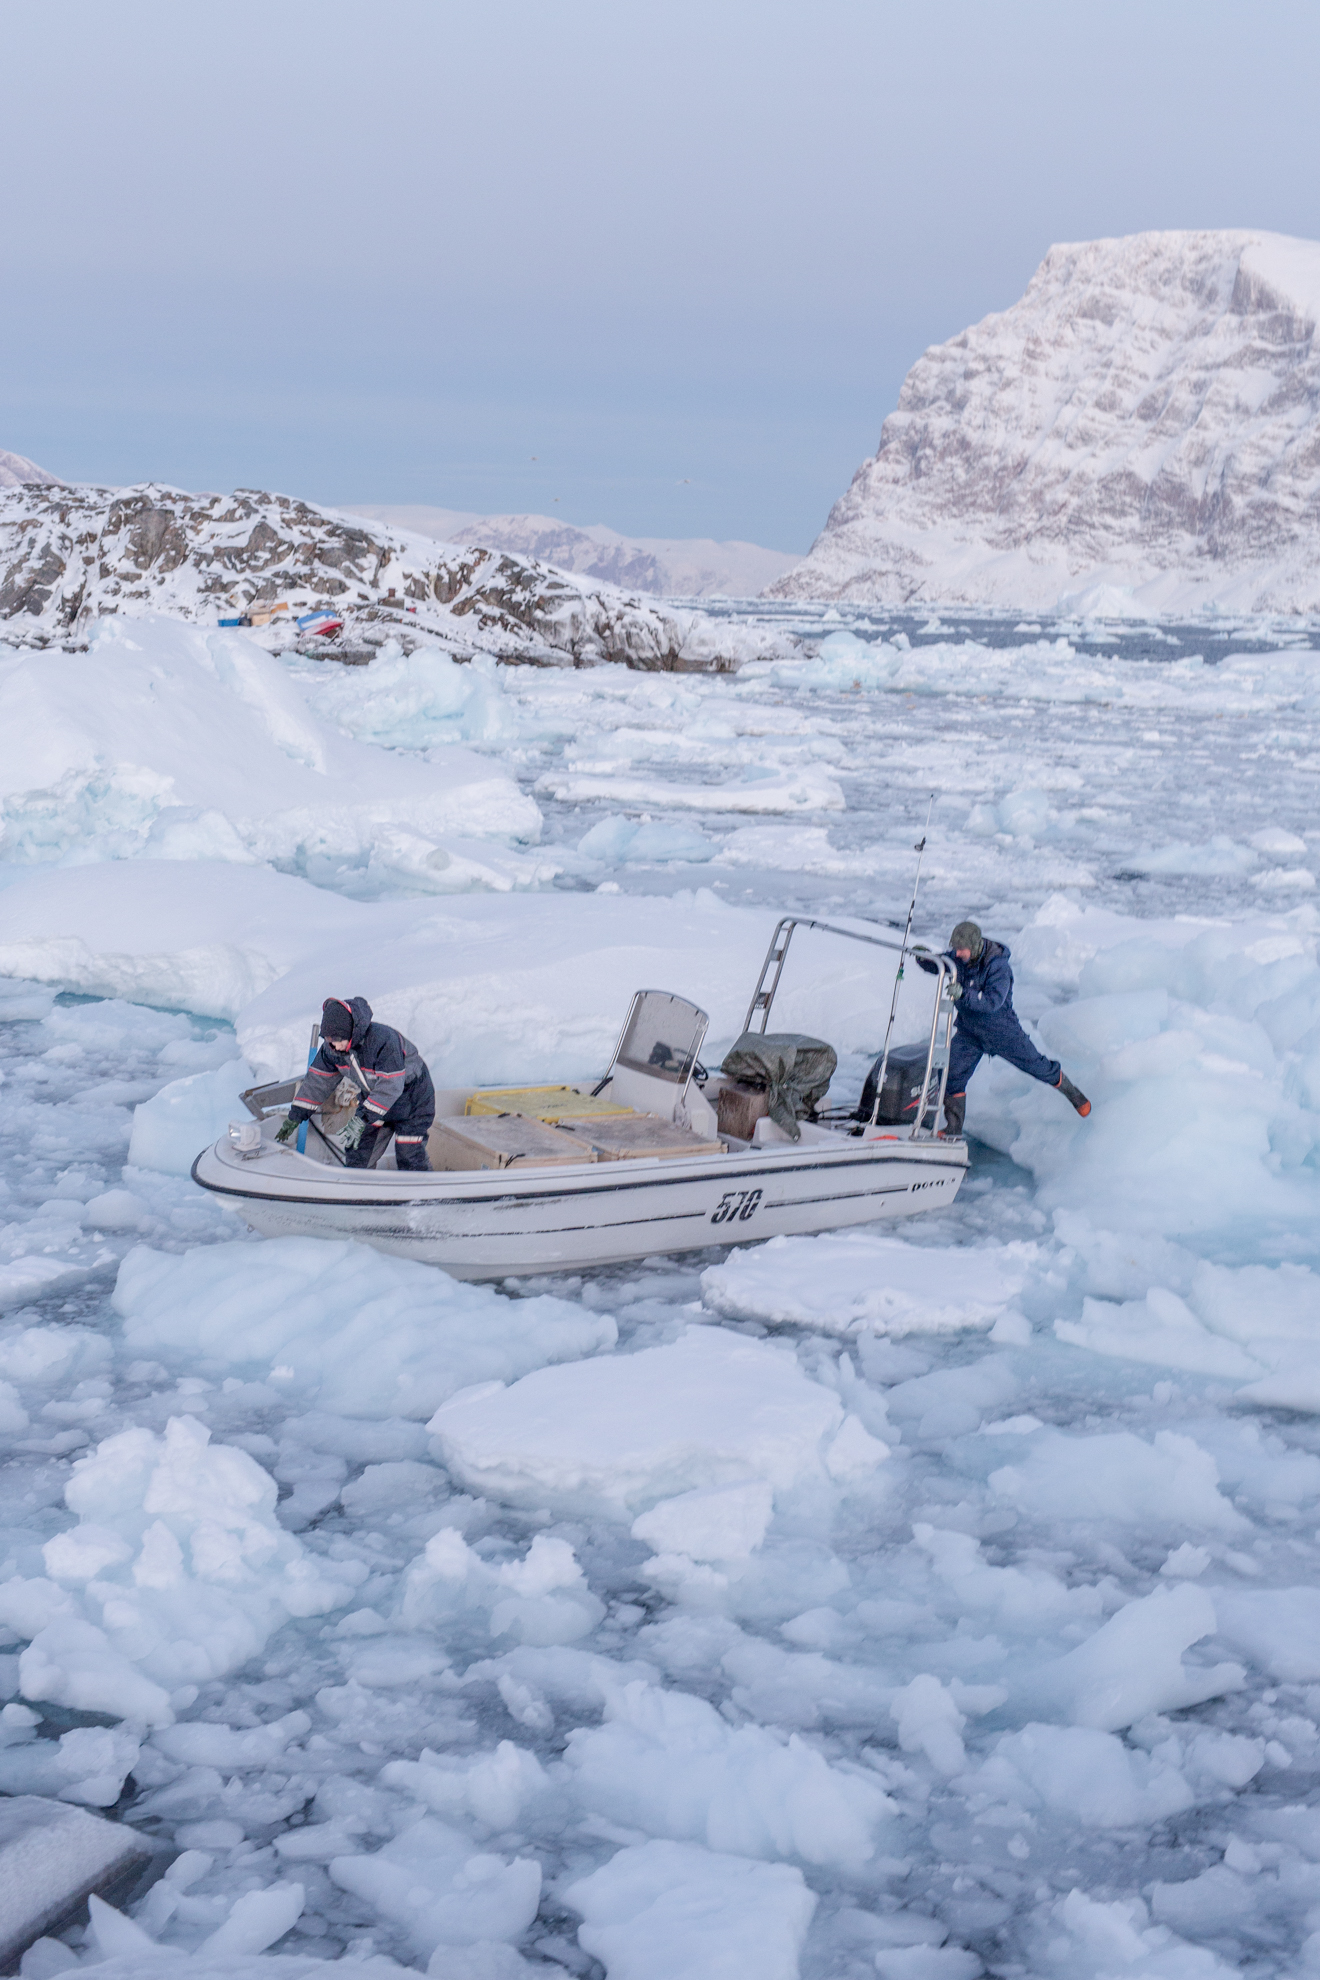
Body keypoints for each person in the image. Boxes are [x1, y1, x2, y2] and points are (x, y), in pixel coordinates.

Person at [917, 921, 1090, 1138]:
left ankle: (1074, 1095)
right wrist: (924, 958)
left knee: (1038, 1066)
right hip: (970, 1033)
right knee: (951, 1075)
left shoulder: (998, 967)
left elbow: (993, 1002)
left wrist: (963, 994)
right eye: (956, 949)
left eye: (962, 949)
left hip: (1002, 1032)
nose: (958, 953)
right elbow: (941, 965)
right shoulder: (959, 956)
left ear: (975, 945)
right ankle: (953, 1129)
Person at [275, 997, 435, 1170]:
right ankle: (357, 1191)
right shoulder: (332, 1050)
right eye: (329, 1039)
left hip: (412, 1100)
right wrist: (296, 1115)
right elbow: (317, 1082)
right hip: (373, 1101)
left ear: (351, 1032)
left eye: (337, 1039)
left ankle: (422, 1195)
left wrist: (362, 1118)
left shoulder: (383, 1041)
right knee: (357, 1150)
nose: (334, 1045)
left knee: (409, 1152)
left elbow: (390, 1087)